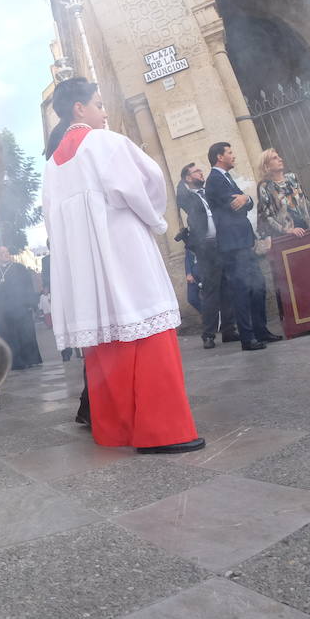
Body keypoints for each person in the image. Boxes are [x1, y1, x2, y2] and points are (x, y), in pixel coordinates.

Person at [43, 77, 204, 453]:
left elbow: (53, 222)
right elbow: (147, 182)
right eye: (98, 105)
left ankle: (116, 431)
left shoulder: (53, 165)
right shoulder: (106, 142)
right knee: (146, 326)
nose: (104, 113)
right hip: (123, 251)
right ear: (79, 108)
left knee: (106, 339)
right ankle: (163, 432)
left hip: (87, 268)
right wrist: (154, 219)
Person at [205, 141, 281, 351]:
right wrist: (244, 199)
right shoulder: (214, 181)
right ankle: (248, 338)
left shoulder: (226, 178)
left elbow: (248, 203)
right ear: (220, 157)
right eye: (229, 152)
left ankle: (260, 330)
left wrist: (246, 197)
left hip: (243, 241)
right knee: (242, 290)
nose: (233, 155)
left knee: (258, 287)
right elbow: (236, 206)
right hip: (232, 245)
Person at [175, 162, 236, 349]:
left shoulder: (207, 191)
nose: (201, 174)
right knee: (210, 292)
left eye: (201, 171)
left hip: (221, 244)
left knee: (227, 287)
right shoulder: (187, 197)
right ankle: (208, 334)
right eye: (196, 172)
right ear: (187, 178)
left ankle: (228, 330)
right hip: (205, 248)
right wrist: (182, 181)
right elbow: (180, 194)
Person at [0, 245, 44, 370]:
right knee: (9, 337)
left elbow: (28, 287)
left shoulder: (20, 269)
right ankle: (15, 362)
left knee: (25, 334)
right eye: (2, 252)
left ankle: (30, 360)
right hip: (3, 312)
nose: (5, 254)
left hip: (21, 308)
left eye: (7, 252)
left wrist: (31, 304)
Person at [255, 149, 310, 238]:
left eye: (279, 156)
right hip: (287, 237)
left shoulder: (292, 178)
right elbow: (266, 216)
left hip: (307, 229)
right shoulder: (264, 186)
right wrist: (287, 230)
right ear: (266, 166)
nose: (280, 159)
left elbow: (305, 200)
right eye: (274, 158)